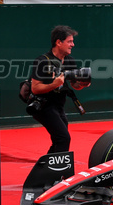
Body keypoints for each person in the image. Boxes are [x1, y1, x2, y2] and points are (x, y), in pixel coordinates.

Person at [28, 25, 89, 154]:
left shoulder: (70, 61)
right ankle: (59, 171)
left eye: (72, 41)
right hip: (43, 106)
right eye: (69, 41)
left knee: (59, 140)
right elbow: (35, 89)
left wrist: (83, 84)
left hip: (58, 106)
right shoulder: (42, 61)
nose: (73, 45)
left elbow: (74, 85)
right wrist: (54, 84)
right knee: (63, 138)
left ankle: (46, 167)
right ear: (58, 42)